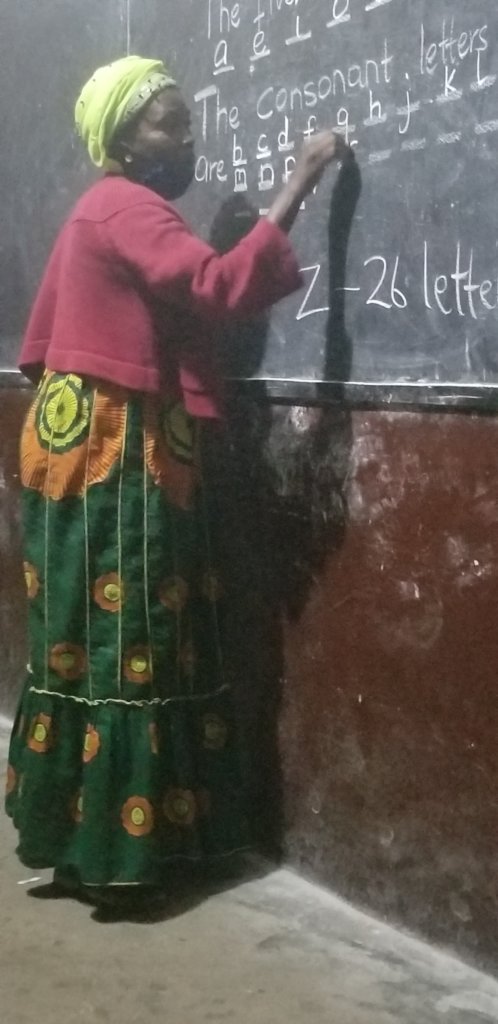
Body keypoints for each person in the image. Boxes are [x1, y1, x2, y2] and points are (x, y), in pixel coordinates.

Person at [5, 56, 347, 904]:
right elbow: (216, 286)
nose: (186, 137)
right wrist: (301, 179)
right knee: (131, 644)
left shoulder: (107, 209)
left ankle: (88, 841)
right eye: (168, 122)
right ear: (121, 139)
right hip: (115, 453)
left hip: (89, 445)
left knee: (93, 638)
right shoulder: (125, 205)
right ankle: (121, 859)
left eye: (188, 120)